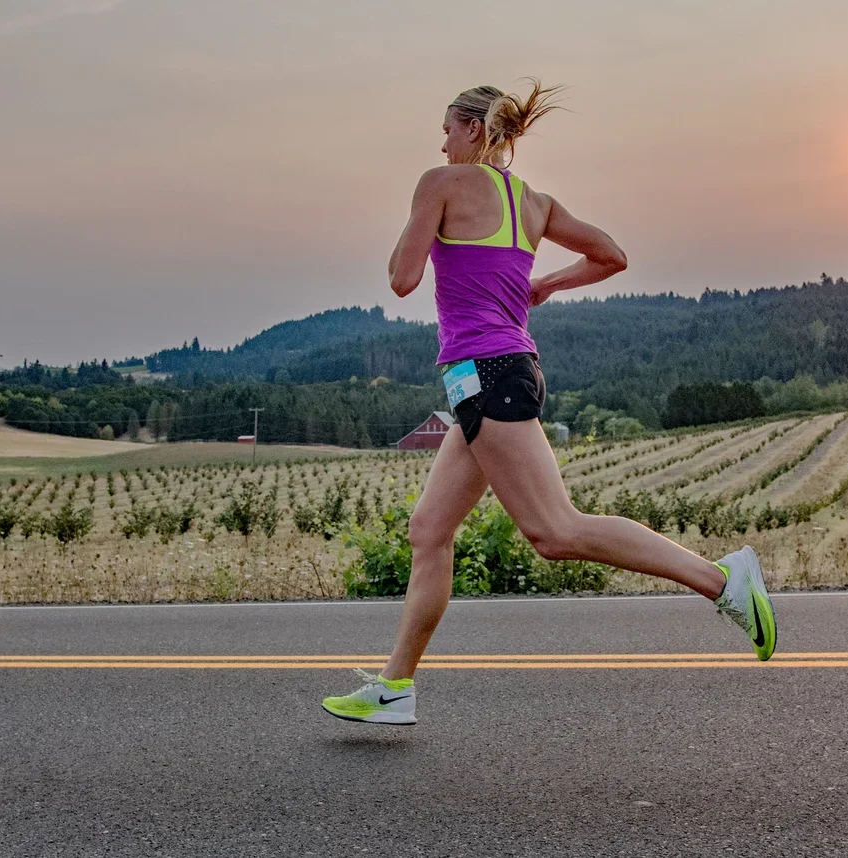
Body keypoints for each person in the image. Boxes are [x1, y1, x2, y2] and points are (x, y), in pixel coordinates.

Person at [322, 81, 777, 725]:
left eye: (448, 128)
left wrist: (423, 207)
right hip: (498, 376)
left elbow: (401, 278)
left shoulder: (441, 182)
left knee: (556, 531)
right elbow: (611, 256)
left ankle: (725, 582)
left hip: (486, 376)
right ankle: (395, 687)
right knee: (429, 530)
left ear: (474, 131)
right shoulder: (535, 202)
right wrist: (544, 286)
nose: (442, 141)